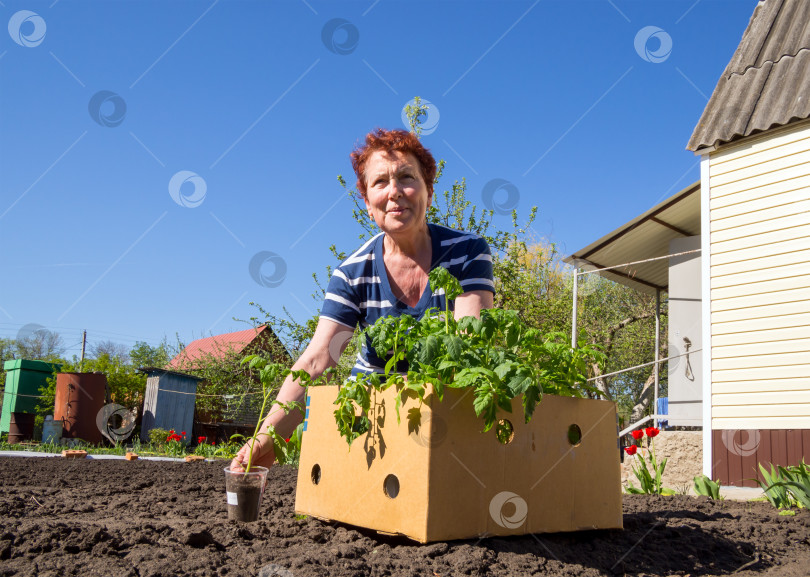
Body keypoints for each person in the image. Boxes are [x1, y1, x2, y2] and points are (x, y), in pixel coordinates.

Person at [230, 128, 494, 471]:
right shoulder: (352, 273)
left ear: (429, 191)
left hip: (443, 408)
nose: (395, 191)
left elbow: (470, 341)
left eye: (406, 177)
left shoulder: (468, 253)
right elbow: (319, 358)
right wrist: (267, 436)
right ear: (368, 204)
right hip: (372, 412)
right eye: (380, 182)